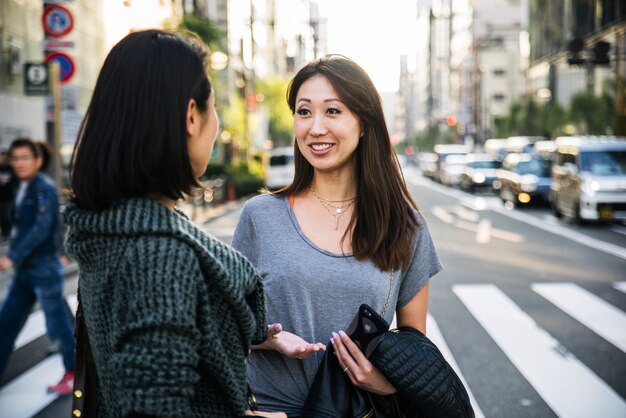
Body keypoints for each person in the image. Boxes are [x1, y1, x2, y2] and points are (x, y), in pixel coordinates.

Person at [63, 29, 285, 418]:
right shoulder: (160, 255)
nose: (215, 124)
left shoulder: (109, 228)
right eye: (213, 107)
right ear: (190, 116)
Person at [232, 55, 443, 416]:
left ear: (364, 124)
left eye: (332, 111)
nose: (315, 128)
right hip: (270, 410)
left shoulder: (405, 227)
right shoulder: (260, 216)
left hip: (356, 411)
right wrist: (269, 339)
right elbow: (227, 326)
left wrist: (383, 382)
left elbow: (415, 348)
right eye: (304, 112)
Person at [0, 137, 75, 395]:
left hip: (43, 267)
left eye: (25, 158)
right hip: (26, 270)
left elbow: (43, 228)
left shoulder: (43, 187)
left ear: (38, 160)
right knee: (6, 322)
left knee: (57, 325)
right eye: (15, 158)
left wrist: (11, 256)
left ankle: (74, 372)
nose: (18, 163)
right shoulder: (23, 186)